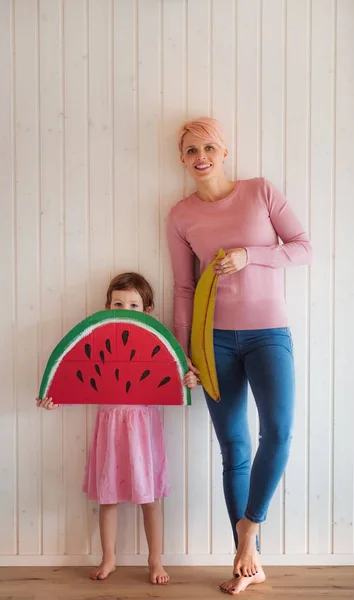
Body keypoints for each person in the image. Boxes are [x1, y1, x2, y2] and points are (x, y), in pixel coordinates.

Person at [167, 117, 312, 595]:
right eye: (190, 150)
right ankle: (245, 561)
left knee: (280, 431)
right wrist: (183, 352)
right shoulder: (180, 215)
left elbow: (303, 248)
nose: (200, 156)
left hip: (269, 333)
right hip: (213, 344)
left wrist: (253, 254)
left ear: (224, 151)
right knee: (234, 448)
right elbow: (184, 288)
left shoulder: (260, 192)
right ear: (182, 159)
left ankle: (249, 528)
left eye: (208, 146)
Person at [37, 272, 197, 585]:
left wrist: (190, 380)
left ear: (147, 311)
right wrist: (55, 400)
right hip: (110, 433)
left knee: (149, 499)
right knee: (107, 498)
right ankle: (108, 558)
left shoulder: (161, 343)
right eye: (118, 303)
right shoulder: (99, 343)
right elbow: (78, 379)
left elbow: (180, 378)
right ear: (107, 307)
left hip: (143, 433)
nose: (125, 309)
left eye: (133, 305)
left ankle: (155, 560)